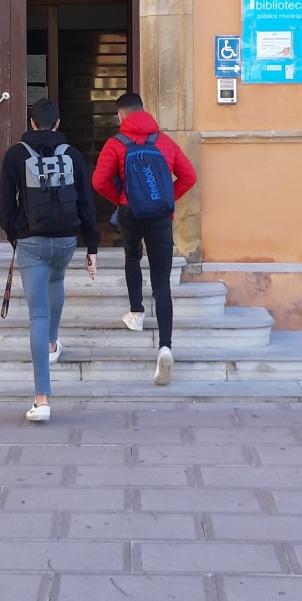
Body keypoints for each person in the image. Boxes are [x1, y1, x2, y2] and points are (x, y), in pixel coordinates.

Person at [0, 98, 99, 422]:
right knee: (57, 281)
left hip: (31, 241)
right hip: (66, 240)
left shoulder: (15, 155)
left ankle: (42, 399)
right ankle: (53, 345)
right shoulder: (72, 155)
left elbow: (6, 206)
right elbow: (86, 201)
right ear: (57, 124)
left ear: (31, 123)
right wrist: (92, 246)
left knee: (37, 316)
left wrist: (15, 234)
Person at [91, 92, 197, 385]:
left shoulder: (116, 144)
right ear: (144, 111)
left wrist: (124, 200)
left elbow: (98, 181)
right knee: (162, 281)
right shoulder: (165, 143)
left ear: (121, 116)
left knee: (132, 255)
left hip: (130, 213)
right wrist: (166, 199)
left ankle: (136, 313)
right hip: (161, 217)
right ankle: (165, 347)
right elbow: (189, 177)